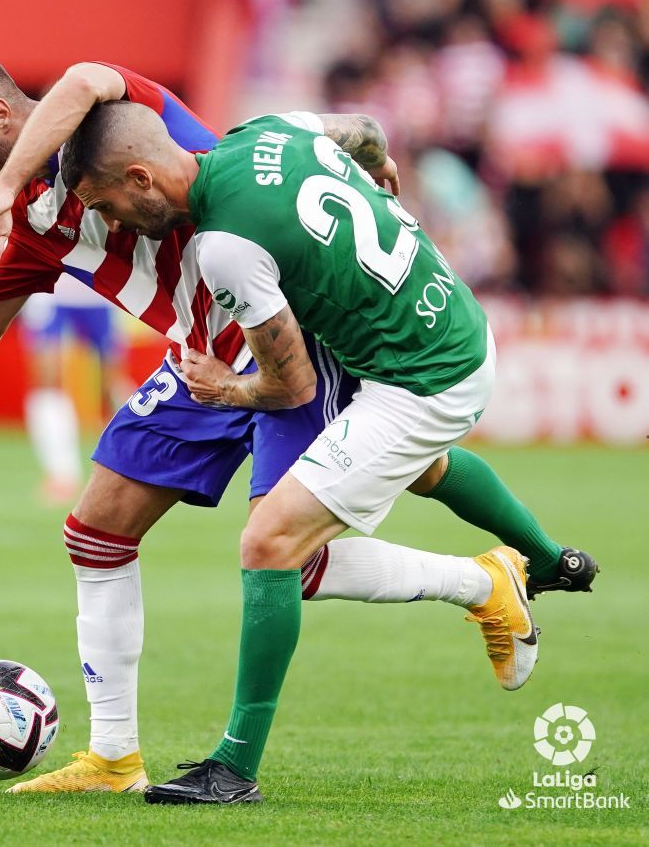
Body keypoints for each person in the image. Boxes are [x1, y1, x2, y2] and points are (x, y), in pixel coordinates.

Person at [0, 51, 592, 800]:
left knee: (287, 555)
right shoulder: (35, 220)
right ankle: (113, 756)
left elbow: (84, 77)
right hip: (200, 358)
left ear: (1, 115)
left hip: (287, 342)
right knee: (97, 530)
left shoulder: (118, 118)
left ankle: (480, 584)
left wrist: (4, 187)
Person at [57, 101, 600, 804]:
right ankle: (548, 562)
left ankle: (234, 769)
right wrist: (379, 166)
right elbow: (366, 131)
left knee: (271, 542)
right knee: (421, 468)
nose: (115, 225)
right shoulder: (267, 130)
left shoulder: (223, 248)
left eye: (108, 205)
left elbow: (291, 386)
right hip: (451, 323)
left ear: (141, 178)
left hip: (421, 381)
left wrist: (224, 387)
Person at [19, 282, 127, 504]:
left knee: (110, 384)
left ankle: (136, 463)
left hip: (102, 291)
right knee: (47, 379)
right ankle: (62, 475)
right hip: (50, 291)